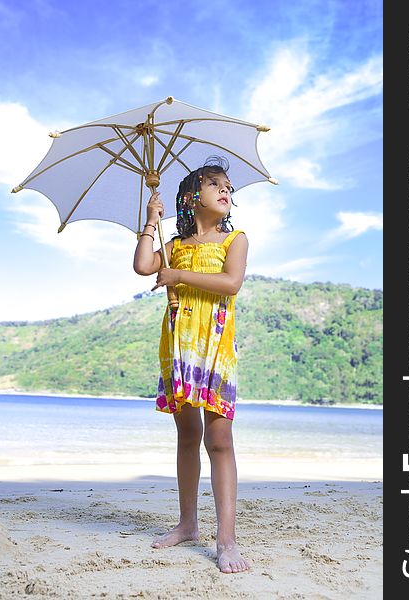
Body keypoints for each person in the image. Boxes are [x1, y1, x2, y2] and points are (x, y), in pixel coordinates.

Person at [133, 157, 250, 574]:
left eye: (229, 187)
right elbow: (143, 265)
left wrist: (179, 275)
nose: (226, 190)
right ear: (190, 196)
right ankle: (187, 523)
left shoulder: (234, 239)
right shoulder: (176, 243)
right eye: (215, 183)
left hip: (215, 350)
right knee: (188, 435)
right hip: (181, 349)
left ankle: (227, 539)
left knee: (219, 440)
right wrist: (151, 219)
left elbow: (230, 283)